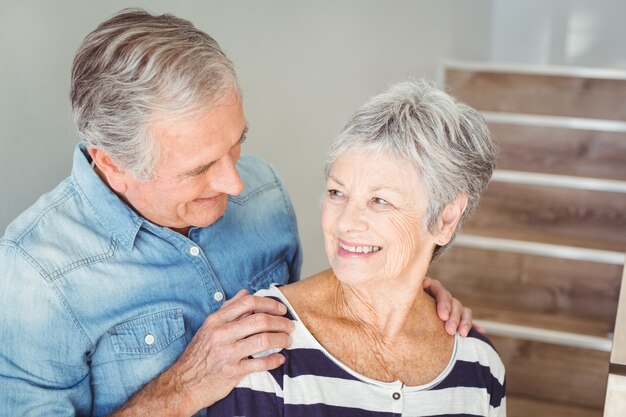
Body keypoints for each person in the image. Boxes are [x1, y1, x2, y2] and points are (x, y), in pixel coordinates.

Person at [0, 9, 473, 417]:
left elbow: (310, 318)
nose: (236, 183)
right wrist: (180, 389)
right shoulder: (35, 276)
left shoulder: (263, 191)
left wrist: (401, 288)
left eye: (237, 144)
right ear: (113, 164)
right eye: (200, 168)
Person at [208, 80, 506, 417]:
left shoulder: (479, 365)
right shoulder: (264, 342)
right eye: (337, 193)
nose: (346, 222)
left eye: (380, 201)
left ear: (445, 218)